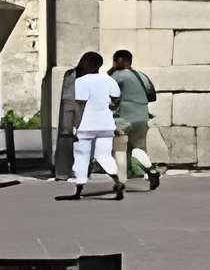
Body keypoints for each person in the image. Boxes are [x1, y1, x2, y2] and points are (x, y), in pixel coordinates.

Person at [61, 49, 125, 200]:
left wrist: (71, 125)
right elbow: (116, 99)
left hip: (86, 125)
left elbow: (79, 105)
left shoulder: (81, 82)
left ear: (85, 64)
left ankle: (79, 189)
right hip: (106, 124)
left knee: (82, 156)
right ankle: (117, 180)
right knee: (104, 155)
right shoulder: (109, 80)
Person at [110, 48, 161, 190]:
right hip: (142, 117)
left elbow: (109, 95)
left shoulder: (117, 76)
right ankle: (151, 170)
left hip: (123, 118)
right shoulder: (141, 75)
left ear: (117, 61)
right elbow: (152, 95)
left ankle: (120, 181)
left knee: (119, 149)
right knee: (138, 148)